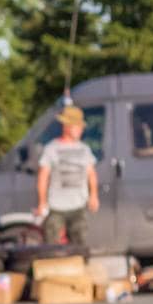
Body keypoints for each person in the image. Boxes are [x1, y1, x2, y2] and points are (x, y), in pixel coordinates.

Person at [36, 106, 99, 249]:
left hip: (78, 205)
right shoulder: (51, 148)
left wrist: (94, 195)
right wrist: (42, 202)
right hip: (56, 206)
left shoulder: (84, 149)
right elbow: (43, 177)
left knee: (79, 244)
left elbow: (91, 174)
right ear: (67, 126)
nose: (81, 129)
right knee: (51, 244)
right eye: (77, 126)